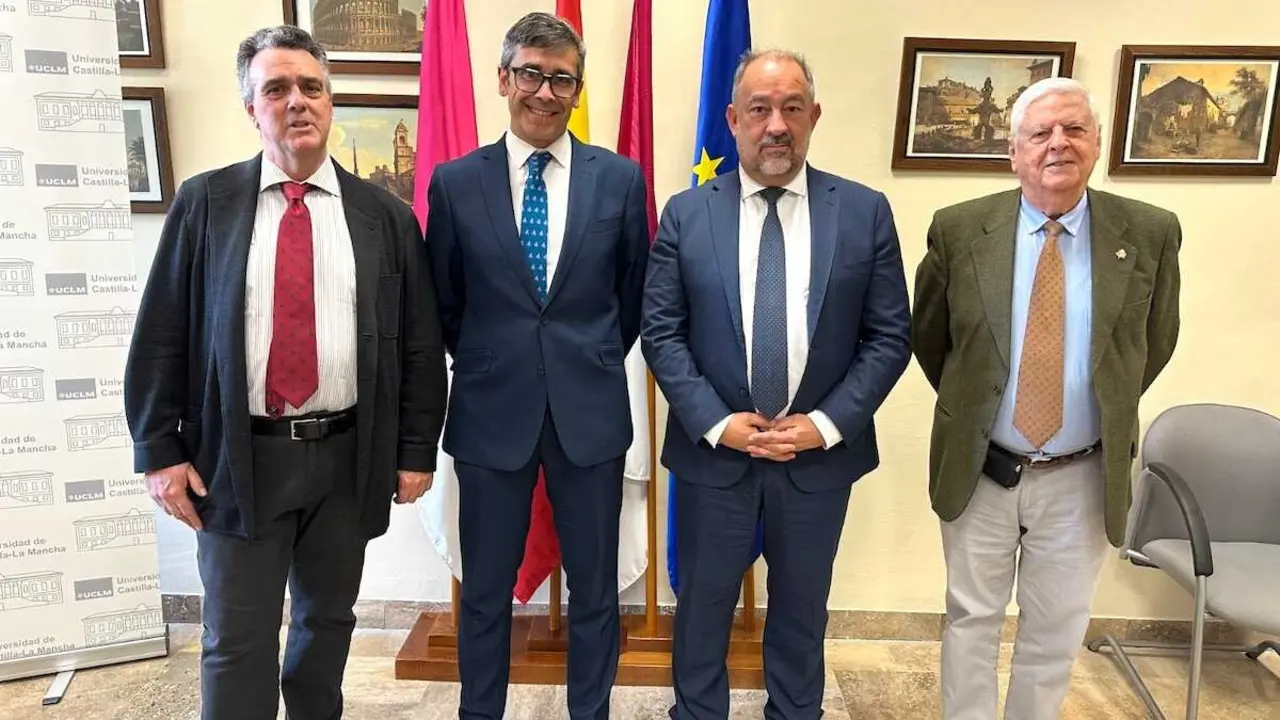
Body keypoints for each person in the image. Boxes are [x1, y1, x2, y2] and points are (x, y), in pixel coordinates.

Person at [123, 25, 447, 720]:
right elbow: (160, 335)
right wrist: (158, 452)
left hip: (347, 457)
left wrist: (416, 449)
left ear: (329, 101)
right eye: (276, 88)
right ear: (252, 107)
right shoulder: (205, 205)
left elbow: (419, 343)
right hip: (238, 457)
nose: (297, 101)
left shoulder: (386, 218)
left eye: (311, 86)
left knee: (327, 623)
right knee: (237, 637)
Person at [642, 49, 911, 720]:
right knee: (702, 608)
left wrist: (823, 425)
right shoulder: (686, 214)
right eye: (759, 109)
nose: (776, 125)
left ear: (814, 116)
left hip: (817, 458)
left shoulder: (864, 212)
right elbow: (662, 333)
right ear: (732, 119)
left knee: (801, 609)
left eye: (792, 108)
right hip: (714, 456)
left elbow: (888, 337)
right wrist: (716, 422)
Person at [911, 77, 1181, 720]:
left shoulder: (1149, 232)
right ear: (1014, 152)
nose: (1058, 143)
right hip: (983, 467)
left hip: (1082, 473)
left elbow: (1153, 343)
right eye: (1040, 132)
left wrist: (1091, 408)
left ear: (1097, 143)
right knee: (971, 618)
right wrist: (981, 410)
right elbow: (932, 340)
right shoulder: (959, 229)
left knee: (1056, 629)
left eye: (1074, 129)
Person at [421, 12, 649, 720]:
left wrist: (579, 358)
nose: (545, 92)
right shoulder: (456, 183)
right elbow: (446, 303)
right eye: (531, 74)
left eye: (562, 79)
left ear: (577, 89)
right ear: (503, 79)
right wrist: (502, 359)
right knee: (485, 591)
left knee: (595, 592)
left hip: (590, 417)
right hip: (492, 415)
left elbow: (631, 299)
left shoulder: (620, 180)